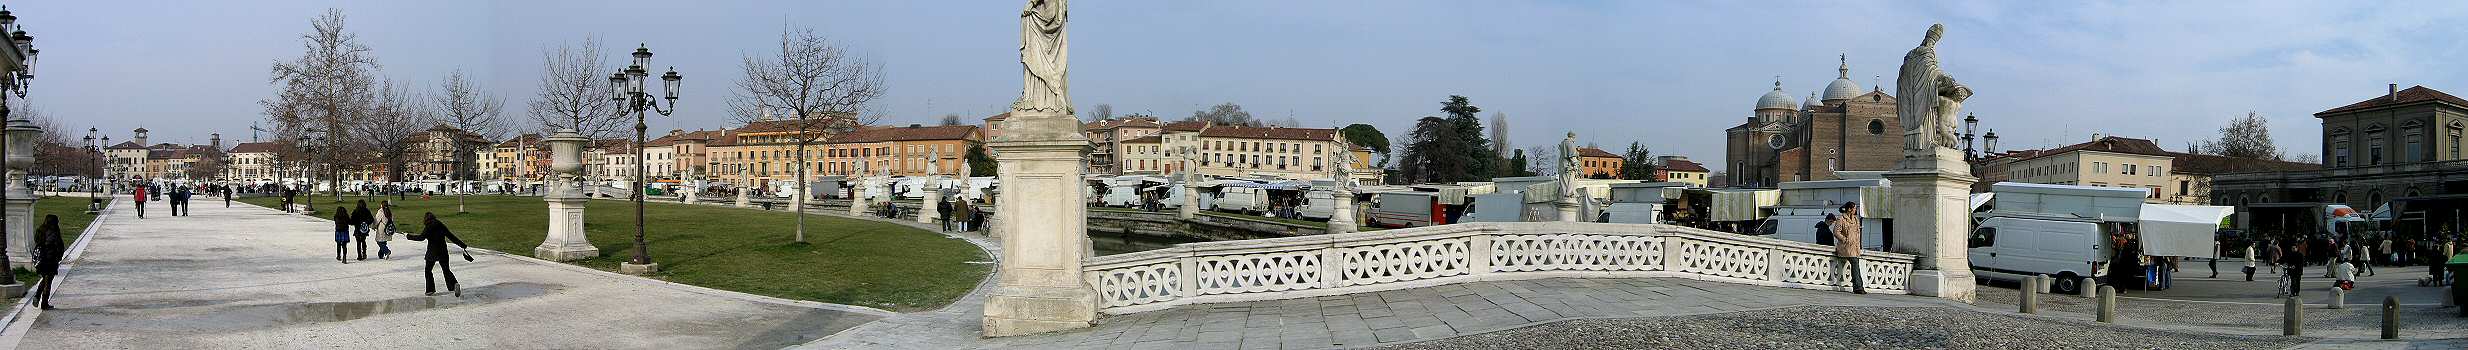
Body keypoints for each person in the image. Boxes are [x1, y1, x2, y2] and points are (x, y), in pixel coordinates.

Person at [414, 213, 474, 296]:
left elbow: (421, 238)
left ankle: (430, 290)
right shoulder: (440, 225)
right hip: (443, 252)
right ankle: (454, 285)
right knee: (446, 270)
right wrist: (462, 245)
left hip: (432, 252)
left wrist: (408, 236)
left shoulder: (428, 227)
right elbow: (451, 236)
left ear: (426, 219)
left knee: (428, 270)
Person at [1828, 202, 1867, 294]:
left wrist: (1858, 246)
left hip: (1854, 247)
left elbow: (1857, 234)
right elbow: (1836, 232)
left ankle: (1859, 286)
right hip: (1845, 247)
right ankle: (1858, 287)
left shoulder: (1856, 220)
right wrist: (1845, 239)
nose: (1855, 210)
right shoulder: (1841, 219)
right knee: (1855, 263)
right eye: (1854, 208)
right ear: (1849, 209)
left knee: (1856, 264)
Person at [31, 215, 63, 310]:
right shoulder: (54, 232)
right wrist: (59, 257)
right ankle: (44, 303)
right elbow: (59, 246)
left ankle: (37, 296)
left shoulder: (40, 230)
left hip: (40, 260)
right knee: (48, 282)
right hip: (50, 260)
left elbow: (37, 242)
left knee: (45, 279)